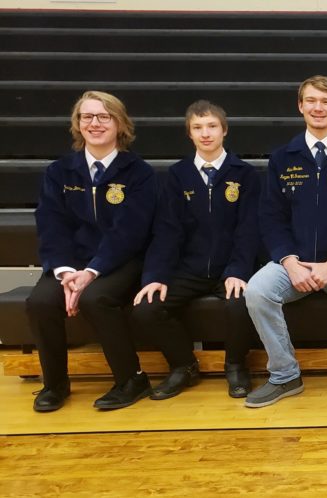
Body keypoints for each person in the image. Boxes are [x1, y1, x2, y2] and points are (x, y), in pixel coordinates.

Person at [244, 75, 327, 408]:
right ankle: (285, 375)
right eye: (312, 101)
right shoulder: (282, 158)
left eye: (326, 101)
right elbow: (270, 219)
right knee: (257, 291)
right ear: (300, 106)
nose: (319, 108)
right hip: (294, 261)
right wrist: (289, 262)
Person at [27, 90, 157, 412]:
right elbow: (51, 225)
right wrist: (66, 271)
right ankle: (55, 384)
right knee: (40, 302)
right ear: (78, 124)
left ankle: (132, 379)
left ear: (119, 124)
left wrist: (92, 271)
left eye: (104, 116)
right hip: (73, 264)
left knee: (96, 297)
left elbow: (129, 232)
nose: (95, 123)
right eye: (87, 116)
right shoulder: (59, 172)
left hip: (120, 261)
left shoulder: (138, 173)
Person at [131, 100, 260, 400]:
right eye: (198, 128)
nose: (206, 133)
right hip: (188, 268)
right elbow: (166, 231)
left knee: (241, 302)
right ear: (189, 134)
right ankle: (183, 366)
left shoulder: (245, 174)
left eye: (212, 126)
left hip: (230, 267)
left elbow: (249, 230)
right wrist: (156, 275)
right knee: (146, 308)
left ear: (224, 130)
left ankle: (236, 366)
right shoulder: (177, 175)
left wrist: (239, 270)